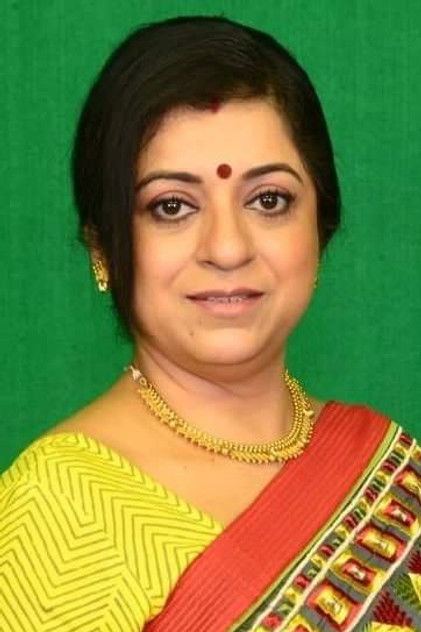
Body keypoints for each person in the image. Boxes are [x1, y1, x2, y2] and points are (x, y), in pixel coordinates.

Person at [1, 14, 420, 632]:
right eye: (171, 206)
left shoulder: (389, 467)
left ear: (321, 228)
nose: (227, 248)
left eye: (269, 200)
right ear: (103, 247)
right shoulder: (55, 518)